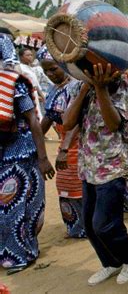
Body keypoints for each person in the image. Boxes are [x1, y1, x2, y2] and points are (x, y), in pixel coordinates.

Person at [63, 63, 128, 285]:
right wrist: (85, 89)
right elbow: (67, 122)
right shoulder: (80, 87)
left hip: (112, 164)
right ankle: (111, 262)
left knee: (105, 224)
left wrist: (99, 88)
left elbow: (114, 123)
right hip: (89, 165)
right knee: (89, 224)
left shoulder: (120, 85)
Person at [0, 59, 55, 273]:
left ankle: (18, 255)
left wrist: (42, 158)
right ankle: (19, 251)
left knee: (12, 207)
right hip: (4, 153)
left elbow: (33, 119)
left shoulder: (15, 84)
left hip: (21, 153)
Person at [38, 47, 85, 238]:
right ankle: (75, 227)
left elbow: (78, 121)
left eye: (53, 69)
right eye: (46, 71)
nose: (50, 74)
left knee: (79, 187)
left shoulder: (77, 86)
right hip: (65, 145)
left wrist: (65, 148)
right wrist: (34, 141)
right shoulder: (54, 90)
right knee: (65, 186)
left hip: (79, 145)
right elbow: (47, 119)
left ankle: (86, 228)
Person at [19, 48, 44, 121]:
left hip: (34, 93)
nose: (30, 57)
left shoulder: (30, 68)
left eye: (31, 55)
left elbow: (36, 84)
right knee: (32, 115)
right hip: (27, 94)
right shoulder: (20, 68)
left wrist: (42, 95)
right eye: (27, 55)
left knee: (38, 113)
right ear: (21, 57)